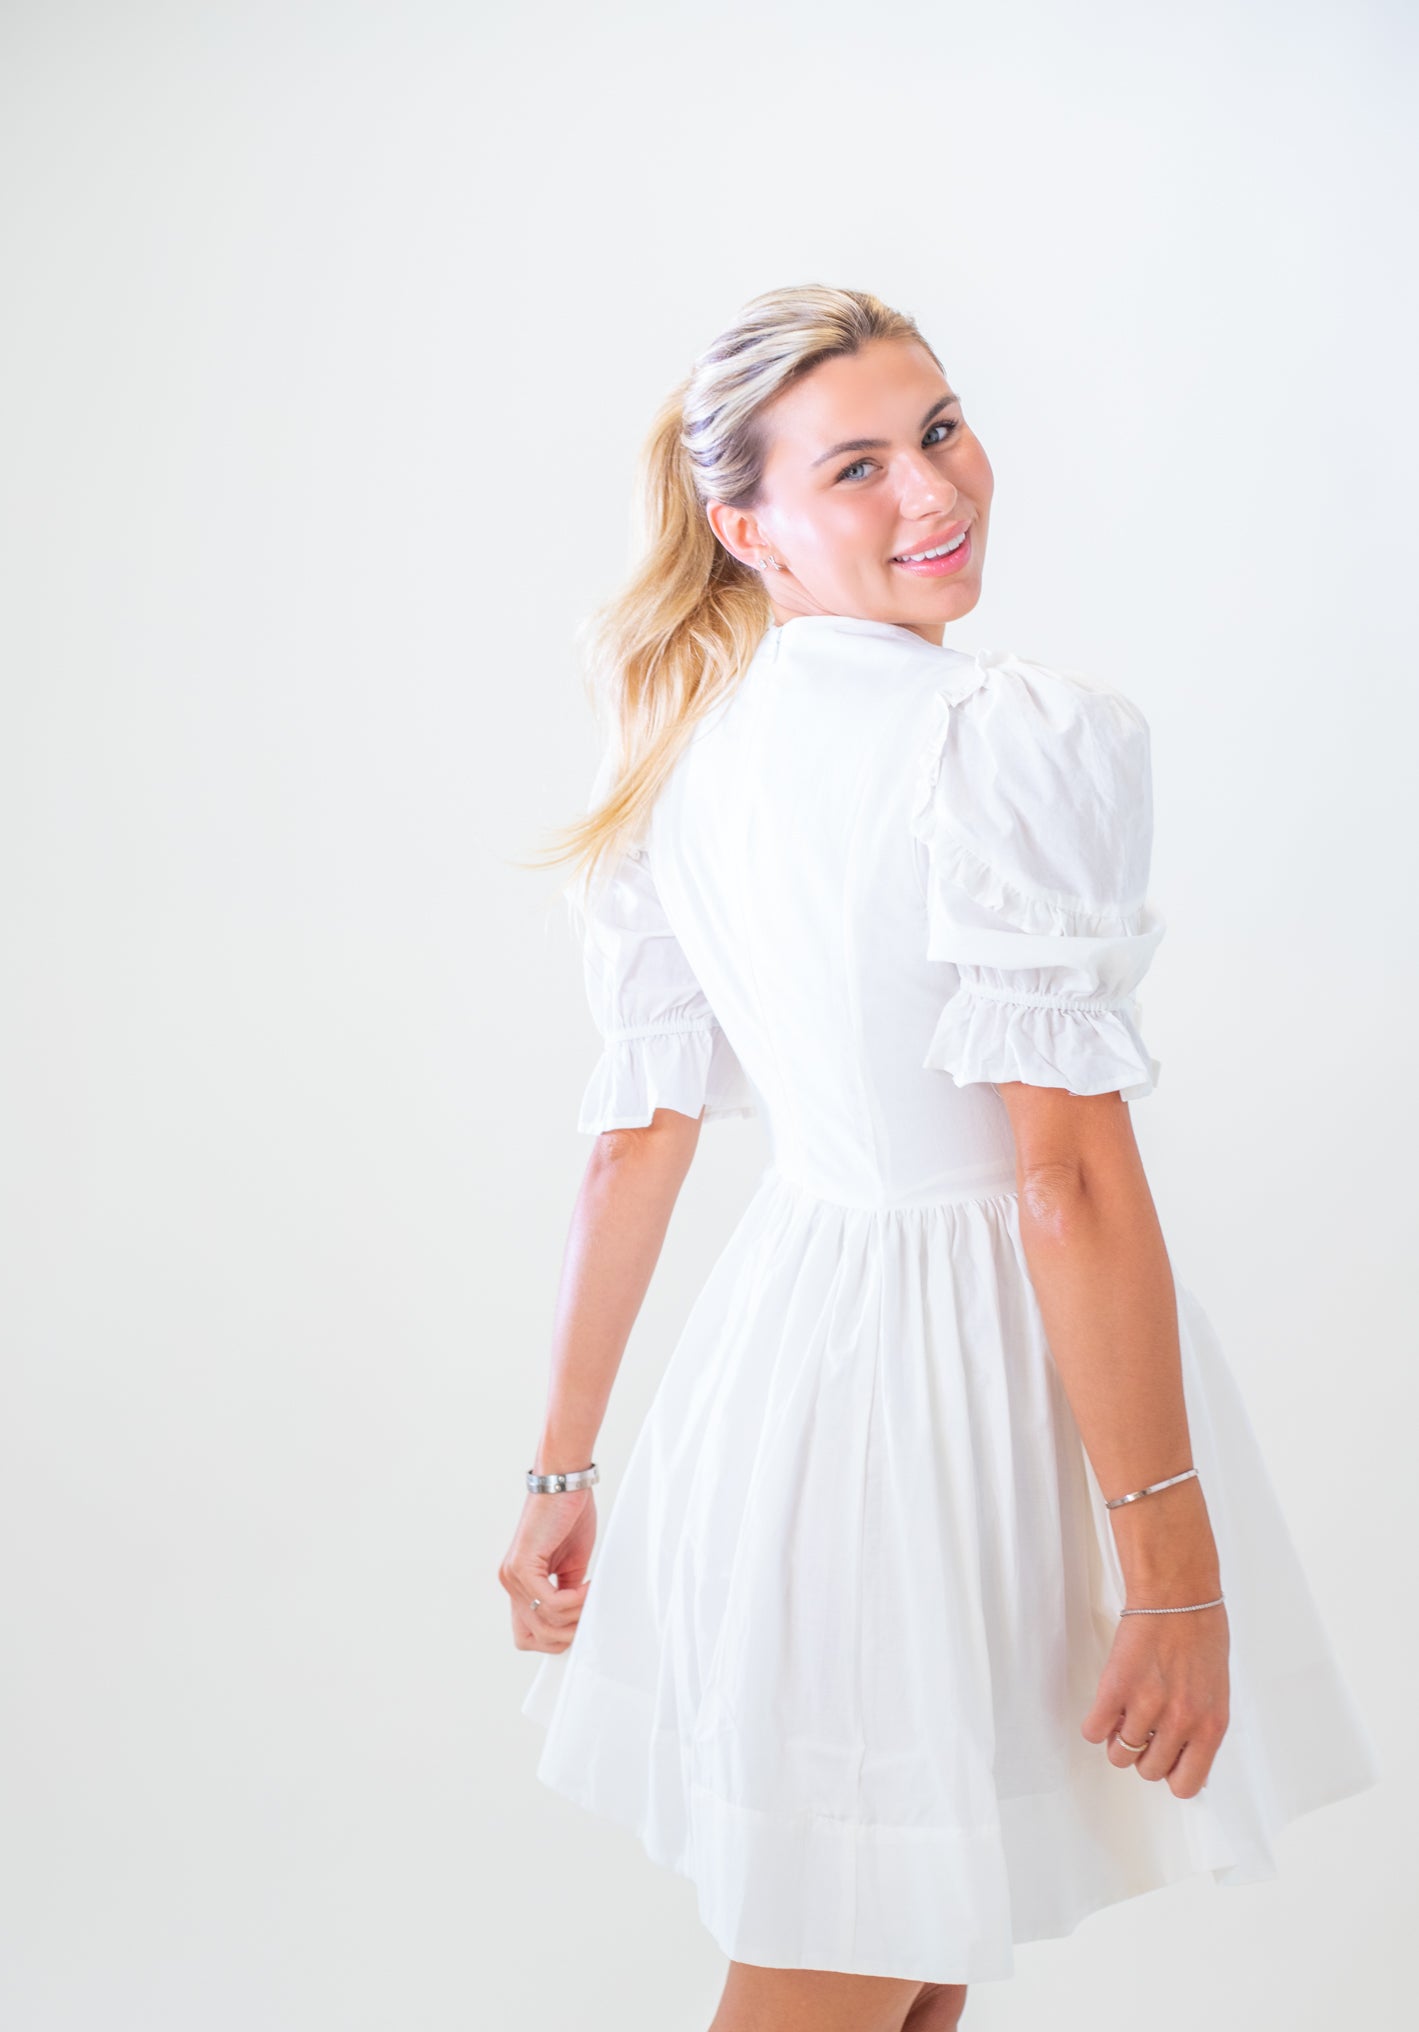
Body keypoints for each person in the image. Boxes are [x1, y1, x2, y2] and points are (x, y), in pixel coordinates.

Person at [498, 285, 1380, 2032]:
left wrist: (561, 1469)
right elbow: (1063, 1180)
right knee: (850, 1957)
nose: (934, 488)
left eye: (941, 428)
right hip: (939, 1410)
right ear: (746, 528)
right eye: (858, 467)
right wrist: (1170, 1570)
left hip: (805, 1379)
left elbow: (635, 1144)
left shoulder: (687, 755)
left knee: (909, 1965)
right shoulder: (1001, 741)